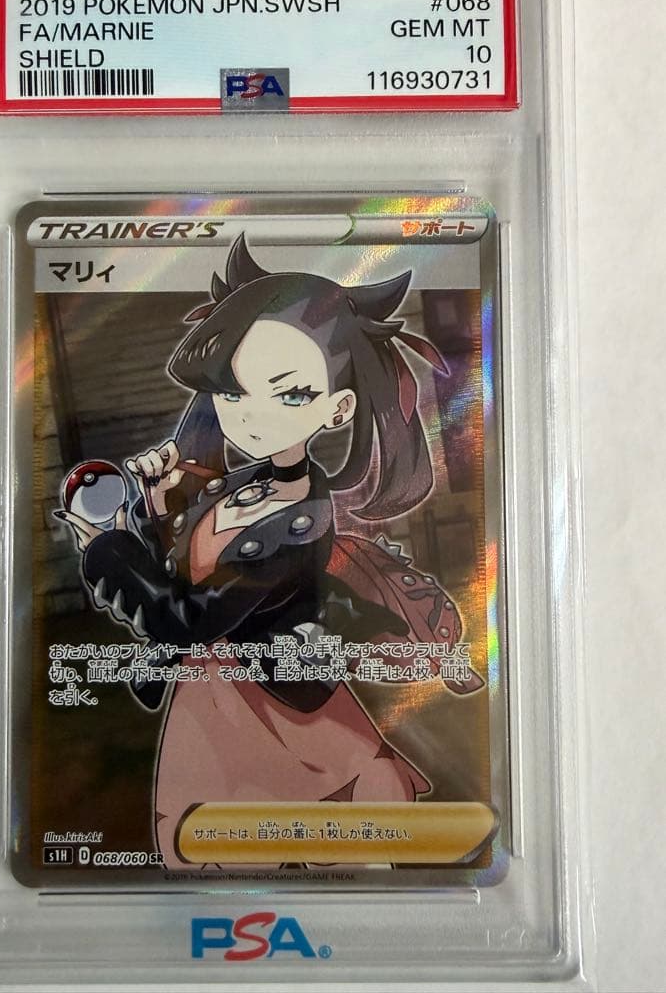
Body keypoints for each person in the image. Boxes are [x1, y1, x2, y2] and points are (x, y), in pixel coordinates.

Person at [58, 234, 479, 867]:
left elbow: (186, 619)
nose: (250, 415)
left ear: (338, 409)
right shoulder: (239, 484)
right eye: (232, 392)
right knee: (220, 853)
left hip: (279, 709)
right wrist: (155, 509)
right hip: (210, 705)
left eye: (289, 394)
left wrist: (106, 551)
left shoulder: (299, 523)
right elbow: (187, 574)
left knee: (338, 850)